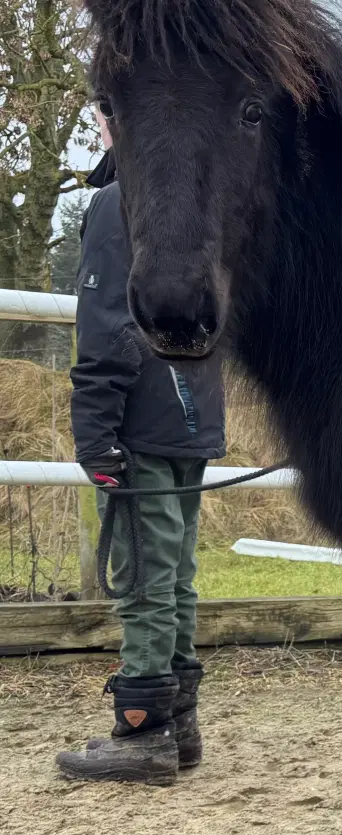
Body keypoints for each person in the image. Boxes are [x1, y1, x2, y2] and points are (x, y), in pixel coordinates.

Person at [56, 108, 226, 786]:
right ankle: (178, 721)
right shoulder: (199, 205)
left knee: (143, 575)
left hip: (142, 411)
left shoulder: (115, 204)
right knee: (176, 569)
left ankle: (144, 726)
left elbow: (102, 327)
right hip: (193, 409)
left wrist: (93, 432)